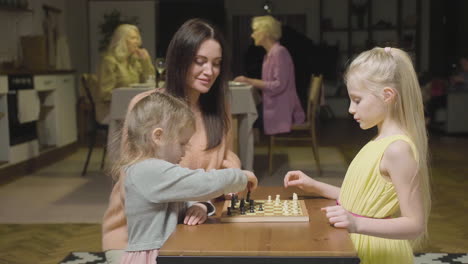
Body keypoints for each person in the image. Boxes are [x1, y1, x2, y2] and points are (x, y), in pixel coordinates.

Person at [102, 18, 249, 263]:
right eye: (199, 62)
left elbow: (227, 157)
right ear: (180, 59)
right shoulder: (146, 106)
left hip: (192, 225)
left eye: (216, 64)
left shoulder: (219, 108)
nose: (209, 71)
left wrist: (204, 202)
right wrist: (196, 197)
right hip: (139, 238)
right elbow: (133, 177)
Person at [284, 47, 431, 264]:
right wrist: (315, 186)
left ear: (387, 96)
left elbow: (415, 224)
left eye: (357, 100)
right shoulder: (378, 141)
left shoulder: (397, 150)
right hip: (360, 242)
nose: (351, 109)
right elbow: (362, 201)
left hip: (377, 250)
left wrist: (357, 224)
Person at [114, 92, 257, 264]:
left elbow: (180, 196)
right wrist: (239, 177)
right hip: (152, 257)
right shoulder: (146, 170)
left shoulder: (161, 172)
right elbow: (199, 183)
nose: (184, 152)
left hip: (170, 250)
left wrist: (199, 205)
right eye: (182, 143)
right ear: (157, 137)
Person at [234, 15, 305, 135]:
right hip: (274, 106)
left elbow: (279, 85)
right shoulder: (269, 54)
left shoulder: (279, 53)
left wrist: (248, 81)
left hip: (281, 110)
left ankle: (242, 152)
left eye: (255, 31)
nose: (252, 35)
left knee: (241, 119)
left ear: (265, 33)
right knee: (241, 115)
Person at [96, 24, 155, 124]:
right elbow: (104, 94)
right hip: (110, 109)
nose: (137, 42)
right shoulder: (109, 61)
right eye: (133, 38)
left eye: (137, 38)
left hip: (132, 106)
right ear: (122, 40)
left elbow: (150, 80)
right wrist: (126, 96)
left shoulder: (134, 60)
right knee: (148, 119)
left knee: (155, 114)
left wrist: (146, 61)